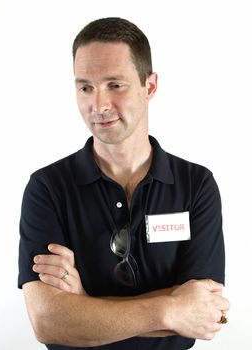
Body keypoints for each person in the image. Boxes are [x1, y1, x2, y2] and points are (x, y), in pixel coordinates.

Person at [18, 17, 230, 350]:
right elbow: (48, 322)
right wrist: (170, 308)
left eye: (115, 85)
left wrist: (84, 305)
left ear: (150, 86)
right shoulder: (47, 188)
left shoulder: (196, 185)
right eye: (85, 86)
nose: (98, 105)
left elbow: (204, 312)